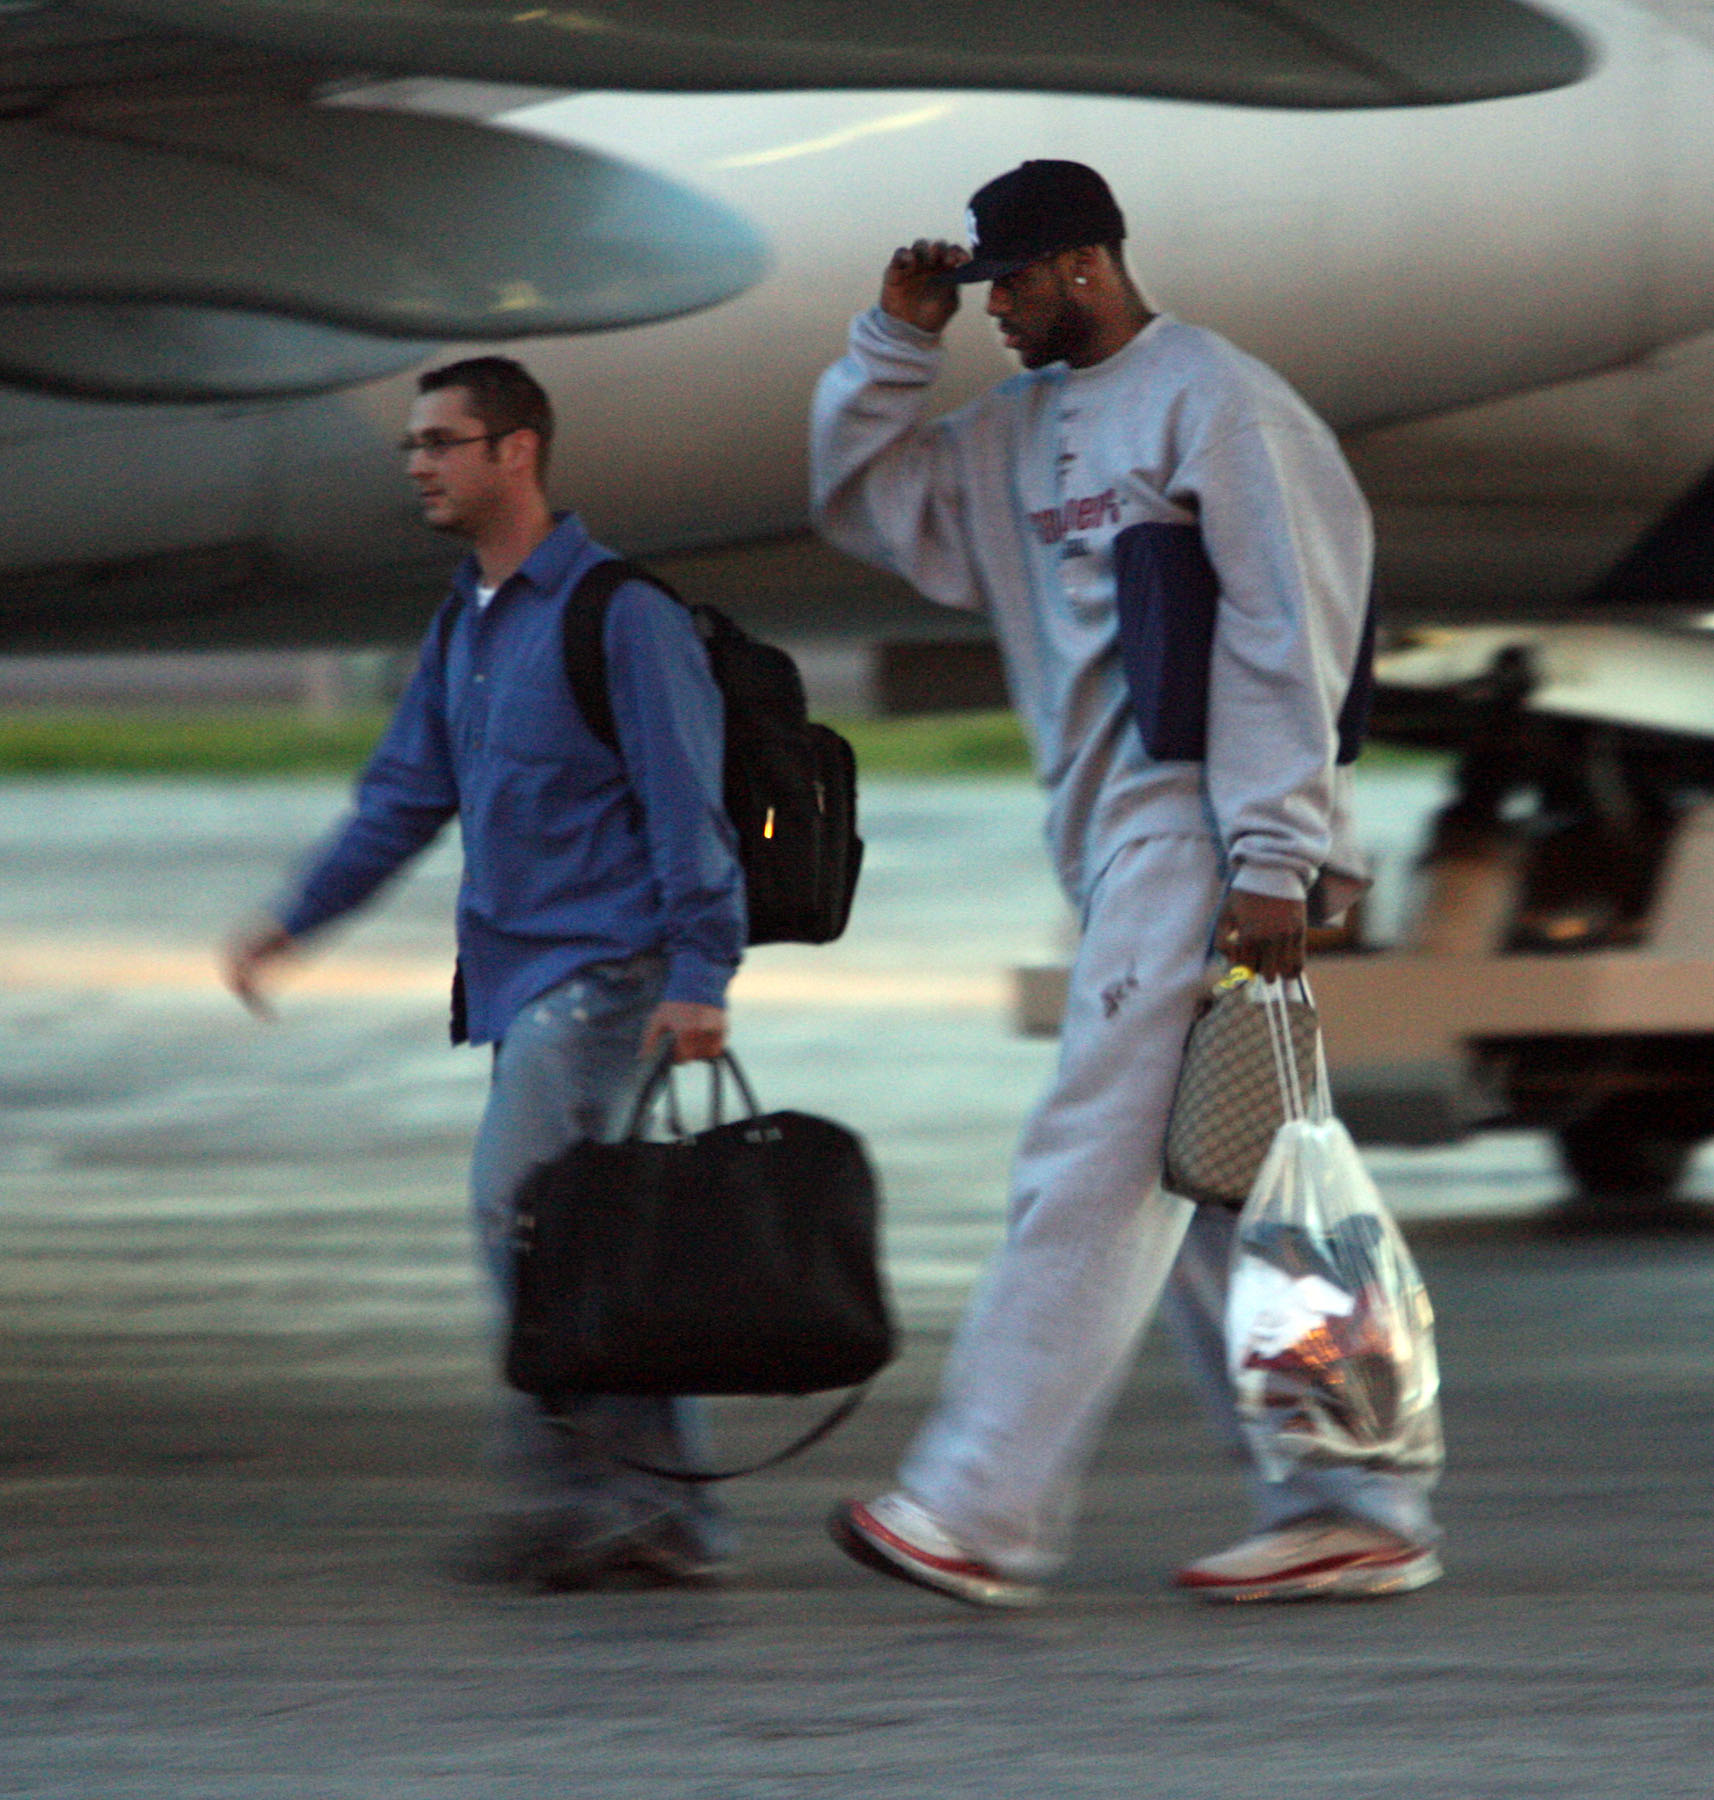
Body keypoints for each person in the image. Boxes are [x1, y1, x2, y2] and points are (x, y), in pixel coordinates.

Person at [810, 161, 1441, 1606]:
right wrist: (890, 343)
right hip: (1108, 843)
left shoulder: (1213, 399)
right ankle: (1354, 1499)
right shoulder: (1011, 432)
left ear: (1086, 266)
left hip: (1201, 827)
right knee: (1233, 1182)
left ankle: (979, 1507)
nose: (997, 316)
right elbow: (861, 504)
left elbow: (1293, 623)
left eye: (1009, 287)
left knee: (1087, 1161)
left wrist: (1275, 851)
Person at [223, 355, 745, 1589]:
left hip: (608, 977)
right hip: (519, 987)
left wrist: (701, 975)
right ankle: (649, 1513)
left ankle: (594, 1501)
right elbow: (405, 798)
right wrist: (295, 919)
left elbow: (690, 809)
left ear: (517, 452)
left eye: (443, 442)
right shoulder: (466, 620)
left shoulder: (622, 614)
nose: (419, 464)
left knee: (528, 1229)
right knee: (584, 1246)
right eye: (414, 444)